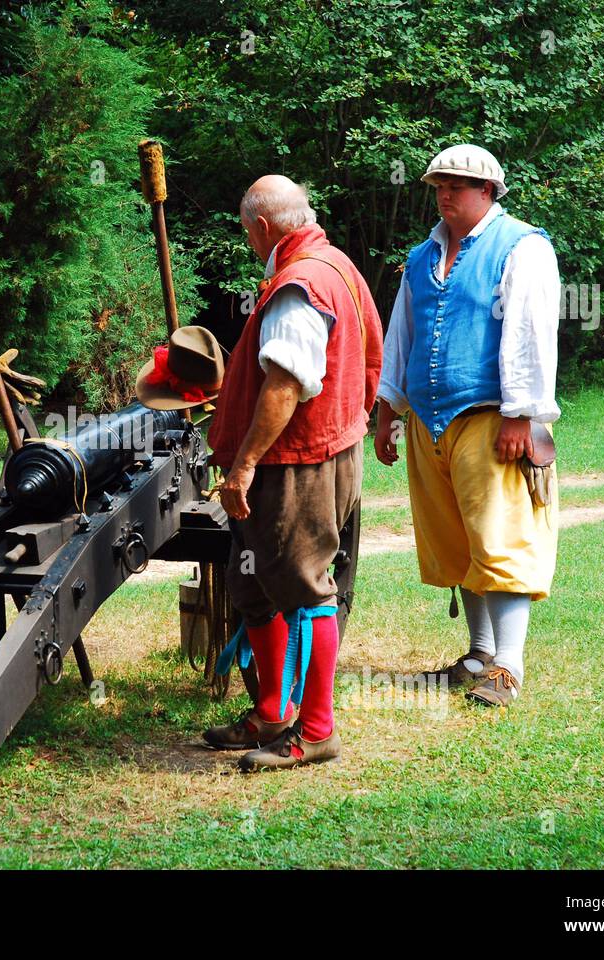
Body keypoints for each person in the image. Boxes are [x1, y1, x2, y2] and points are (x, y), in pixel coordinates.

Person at [203, 174, 383, 770]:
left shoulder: (297, 285)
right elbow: (370, 357)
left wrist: (245, 463)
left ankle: (316, 730)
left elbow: (285, 386)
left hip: (297, 463)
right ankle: (274, 710)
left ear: (261, 227)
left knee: (305, 588)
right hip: (322, 451)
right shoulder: (337, 265)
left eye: (246, 233)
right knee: (253, 585)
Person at [373, 144, 561, 707]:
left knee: (501, 538)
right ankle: (479, 653)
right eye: (439, 185)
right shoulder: (419, 257)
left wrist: (521, 414)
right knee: (457, 541)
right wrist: (388, 410)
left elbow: (531, 332)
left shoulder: (522, 247)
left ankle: (508, 667)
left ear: (488, 191)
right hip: (430, 420)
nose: (446, 194)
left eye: (457, 185)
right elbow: (400, 334)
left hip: (489, 417)